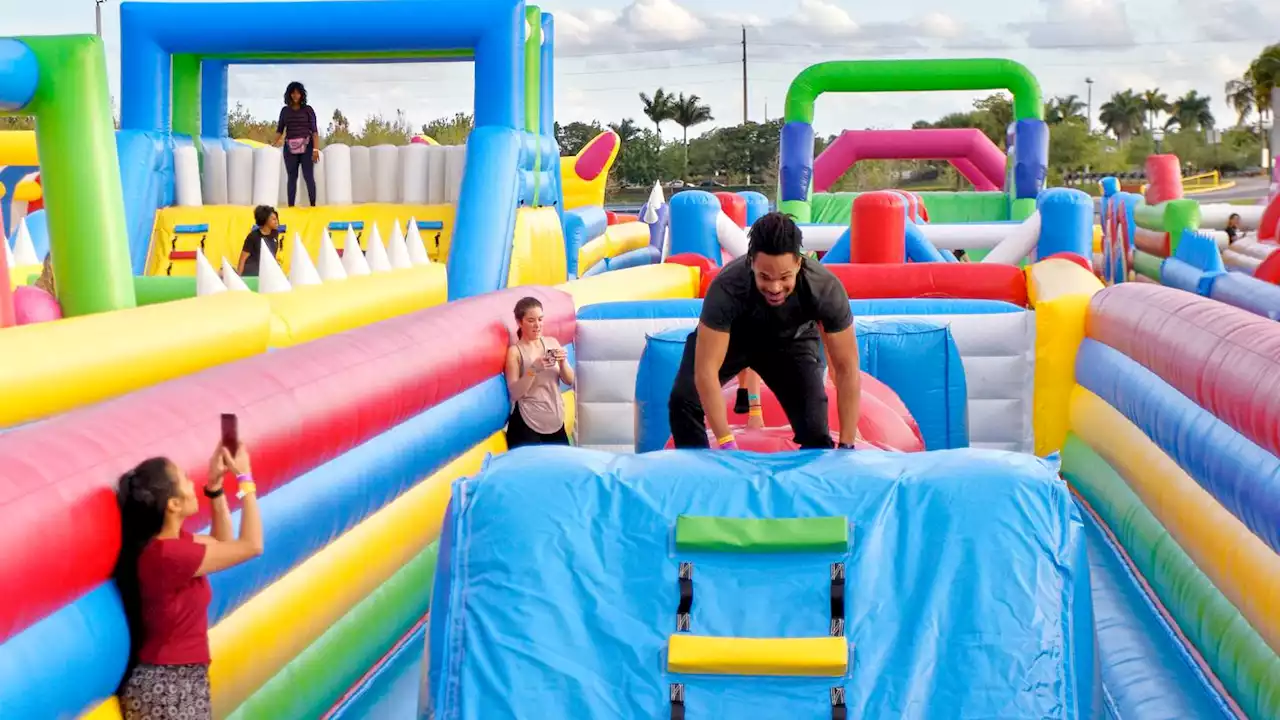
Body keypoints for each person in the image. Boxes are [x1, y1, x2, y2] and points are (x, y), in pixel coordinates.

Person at [669, 211, 862, 449]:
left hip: (791, 345)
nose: (775, 287)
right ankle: (698, 473)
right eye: (764, 277)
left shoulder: (824, 289)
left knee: (815, 430)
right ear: (751, 262)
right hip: (735, 341)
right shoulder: (727, 287)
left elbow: (846, 369)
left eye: (784, 277)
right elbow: (706, 371)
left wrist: (847, 444)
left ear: (799, 263)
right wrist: (726, 442)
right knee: (683, 399)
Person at [114, 443, 264, 720]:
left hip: (175, 683)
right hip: (170, 685)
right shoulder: (167, 555)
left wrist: (215, 486)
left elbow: (222, 542)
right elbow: (252, 545)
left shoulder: (171, 546)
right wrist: (245, 479)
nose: (192, 483)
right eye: (184, 479)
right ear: (173, 504)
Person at [504, 296, 574, 448]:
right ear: (519, 322)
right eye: (531, 320)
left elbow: (570, 380)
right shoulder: (515, 352)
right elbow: (515, 393)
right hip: (527, 422)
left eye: (540, 319)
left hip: (554, 419)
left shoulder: (552, 342)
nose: (537, 325)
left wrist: (562, 363)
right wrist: (533, 369)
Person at [274, 81, 320, 207]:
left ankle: (313, 205)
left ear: (302, 95)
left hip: (307, 147)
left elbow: (315, 131)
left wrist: (315, 150)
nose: (295, 95)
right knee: (292, 178)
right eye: (293, 93)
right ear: (289, 95)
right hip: (290, 148)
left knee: (308, 176)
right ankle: (291, 207)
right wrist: (272, 144)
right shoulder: (285, 111)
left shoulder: (308, 110)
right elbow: (280, 130)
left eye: (298, 93)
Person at [237, 205, 281, 277]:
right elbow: (242, 259)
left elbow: (272, 255)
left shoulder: (275, 233)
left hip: (267, 271)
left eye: (276, 219)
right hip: (253, 272)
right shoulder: (253, 236)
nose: (277, 221)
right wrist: (238, 278)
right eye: (273, 219)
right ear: (265, 220)